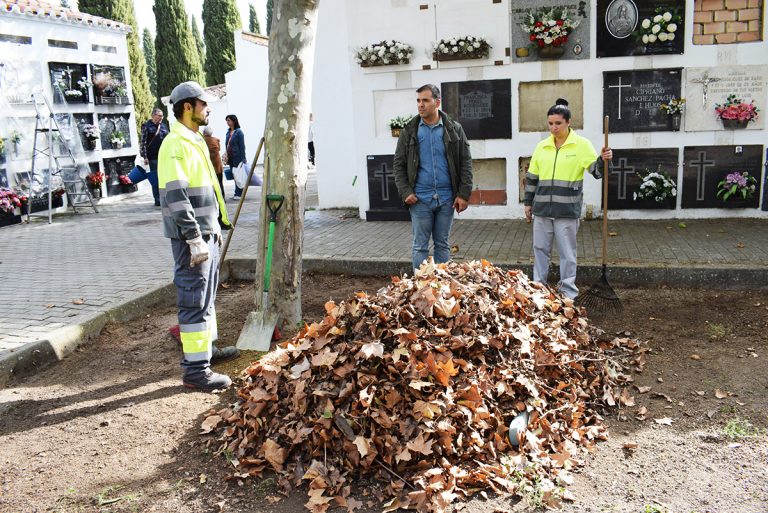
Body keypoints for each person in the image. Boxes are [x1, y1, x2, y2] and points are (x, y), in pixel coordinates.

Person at [158, 81, 237, 392]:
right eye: (204, 104)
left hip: (208, 233)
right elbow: (176, 196)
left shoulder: (196, 141)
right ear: (187, 107)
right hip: (193, 239)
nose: (209, 109)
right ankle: (195, 370)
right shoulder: (173, 145)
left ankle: (206, 352)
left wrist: (216, 226)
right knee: (194, 300)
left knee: (206, 299)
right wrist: (193, 238)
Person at [523, 98, 613, 299]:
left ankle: (568, 293)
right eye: (550, 123)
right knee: (539, 250)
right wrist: (528, 203)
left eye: (558, 123)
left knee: (567, 254)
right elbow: (532, 178)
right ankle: (538, 289)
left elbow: (598, 172)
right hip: (542, 210)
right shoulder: (542, 147)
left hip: (567, 211)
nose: (553, 128)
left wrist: (604, 159)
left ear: (568, 122)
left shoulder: (581, 145)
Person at [393, 84, 473, 272]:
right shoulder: (410, 131)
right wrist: (406, 192)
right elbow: (398, 164)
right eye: (418, 101)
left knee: (442, 244)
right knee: (420, 245)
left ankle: (441, 288)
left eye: (425, 101)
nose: (421, 105)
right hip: (420, 197)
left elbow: (466, 161)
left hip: (447, 197)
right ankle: (420, 287)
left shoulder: (454, 129)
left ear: (437, 102)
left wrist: (463, 194)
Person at [138, 107, 169, 206]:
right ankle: (157, 199)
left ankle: (166, 198)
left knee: (165, 178)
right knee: (156, 178)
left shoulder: (163, 126)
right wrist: (145, 156)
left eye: (162, 116)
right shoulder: (147, 126)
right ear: (153, 116)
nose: (161, 118)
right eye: (159, 116)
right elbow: (143, 142)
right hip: (153, 157)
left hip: (164, 156)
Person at [224, 114, 246, 200]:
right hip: (231, 158)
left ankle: (239, 194)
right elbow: (227, 145)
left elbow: (242, 146)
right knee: (234, 175)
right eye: (226, 120)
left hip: (238, 157)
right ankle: (237, 193)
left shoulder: (239, 132)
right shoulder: (228, 132)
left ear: (234, 121)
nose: (227, 122)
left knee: (238, 175)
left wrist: (243, 158)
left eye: (229, 120)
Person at [202, 126, 224, 194]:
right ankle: (222, 197)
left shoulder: (202, 141)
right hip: (218, 166)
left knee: (211, 185)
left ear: (204, 132)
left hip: (209, 167)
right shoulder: (216, 140)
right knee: (220, 183)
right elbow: (219, 149)